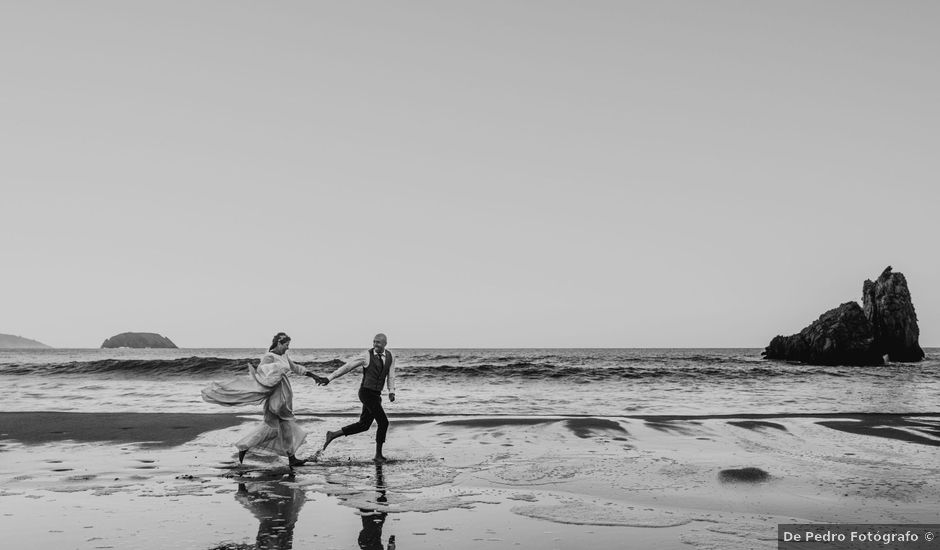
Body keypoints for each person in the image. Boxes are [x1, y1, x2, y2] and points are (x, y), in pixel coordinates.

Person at [201, 332, 328, 468]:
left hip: (285, 395)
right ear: (279, 343)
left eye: (288, 345)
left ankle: (292, 458)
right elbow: (262, 372)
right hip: (276, 396)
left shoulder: (283, 355)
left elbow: (295, 368)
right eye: (286, 345)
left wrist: (314, 376)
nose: (287, 348)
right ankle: (244, 446)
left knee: (285, 428)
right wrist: (277, 369)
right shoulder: (269, 356)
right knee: (273, 428)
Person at [320, 333, 397, 462]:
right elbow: (347, 367)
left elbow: (391, 375)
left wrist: (391, 391)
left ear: (385, 344)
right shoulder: (366, 356)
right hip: (366, 393)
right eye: (374, 342)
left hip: (376, 395)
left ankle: (333, 434)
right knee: (383, 422)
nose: (375, 344)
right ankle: (378, 456)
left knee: (364, 425)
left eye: (378, 342)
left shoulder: (390, 356)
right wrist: (329, 378)